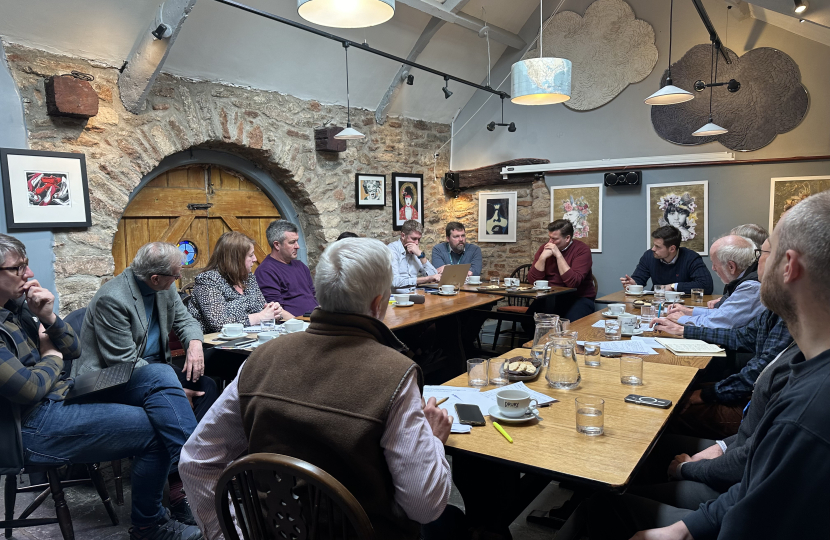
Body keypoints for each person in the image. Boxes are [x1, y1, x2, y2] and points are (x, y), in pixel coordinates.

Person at [179, 238, 458, 540]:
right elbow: (424, 506)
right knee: (452, 521)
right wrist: (433, 442)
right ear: (379, 304)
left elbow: (196, 462)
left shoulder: (258, 360)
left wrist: (230, 534)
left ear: (319, 294)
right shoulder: (396, 375)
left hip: (275, 530)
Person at [596, 191, 830, 540]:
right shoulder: (804, 362)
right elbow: (758, 473)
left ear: (788, 266)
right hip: (730, 485)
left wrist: (687, 504)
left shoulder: (811, 410)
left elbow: (752, 512)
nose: (754, 265)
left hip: (727, 505)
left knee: (602, 503)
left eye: (763, 253)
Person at [0, 234, 202, 540]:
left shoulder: (19, 308)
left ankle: (196, 470)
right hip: (29, 425)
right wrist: (51, 356)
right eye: (18, 268)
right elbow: (29, 390)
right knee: (155, 429)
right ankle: (155, 524)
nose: (28, 274)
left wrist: (48, 316)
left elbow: (73, 347)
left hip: (63, 393)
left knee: (160, 372)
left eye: (26, 265)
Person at [652, 238, 793, 439]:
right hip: (755, 393)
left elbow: (760, 373)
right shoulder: (779, 302)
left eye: (761, 253)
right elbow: (741, 336)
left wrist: (704, 395)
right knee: (671, 392)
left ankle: (676, 467)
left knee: (666, 411)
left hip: (762, 409)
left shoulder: (790, 310)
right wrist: (684, 331)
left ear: (787, 261)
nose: (756, 260)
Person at [72, 241, 217, 418]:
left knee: (207, 386)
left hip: (151, 365)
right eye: (176, 275)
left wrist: (194, 343)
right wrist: (171, 389)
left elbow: (185, 320)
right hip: (107, 378)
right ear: (155, 278)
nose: (178, 277)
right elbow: (124, 362)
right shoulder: (112, 299)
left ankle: (195, 444)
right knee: (174, 397)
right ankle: (184, 443)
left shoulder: (165, 285)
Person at [187, 231, 282, 333]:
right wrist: (259, 317)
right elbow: (219, 323)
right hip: (214, 343)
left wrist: (273, 312)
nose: (255, 259)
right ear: (235, 259)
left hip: (248, 339)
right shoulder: (208, 280)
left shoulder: (248, 278)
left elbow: (262, 309)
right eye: (251, 255)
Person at [663, 235, 763, 329]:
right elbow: (723, 314)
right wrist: (688, 311)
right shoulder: (746, 278)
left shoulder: (750, 287)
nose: (713, 268)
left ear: (731, 267)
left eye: (715, 264)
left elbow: (719, 322)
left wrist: (682, 319)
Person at [526, 219, 596, 321]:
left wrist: (558, 255)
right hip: (550, 296)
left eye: (554, 239)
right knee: (528, 321)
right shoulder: (544, 248)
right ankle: (541, 337)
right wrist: (542, 258)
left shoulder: (582, 250)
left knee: (569, 324)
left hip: (578, 297)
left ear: (567, 238)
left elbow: (573, 282)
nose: (550, 242)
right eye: (549, 237)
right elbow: (533, 281)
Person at [254, 220, 318, 319]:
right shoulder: (265, 271)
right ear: (277, 245)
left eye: (297, 241)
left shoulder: (300, 266)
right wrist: (298, 325)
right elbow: (275, 310)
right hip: (292, 327)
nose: (297, 246)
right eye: (292, 242)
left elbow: (314, 296)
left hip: (315, 320)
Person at [621, 225, 713, 294]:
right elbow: (639, 280)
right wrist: (633, 285)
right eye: (654, 245)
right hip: (657, 303)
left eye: (658, 247)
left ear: (672, 249)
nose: (653, 249)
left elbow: (706, 285)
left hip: (683, 305)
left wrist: (673, 287)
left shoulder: (691, 257)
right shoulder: (649, 256)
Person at [388, 219, 439, 293]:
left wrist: (421, 256)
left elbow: (434, 276)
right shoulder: (392, 250)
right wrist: (426, 279)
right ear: (403, 235)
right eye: (414, 239)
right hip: (397, 298)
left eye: (419, 239)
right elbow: (394, 282)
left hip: (415, 295)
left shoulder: (415, 251)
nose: (416, 243)